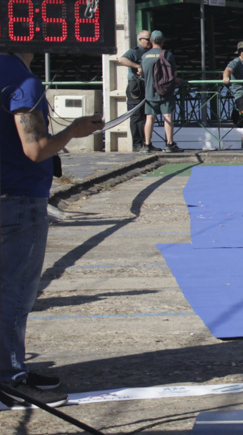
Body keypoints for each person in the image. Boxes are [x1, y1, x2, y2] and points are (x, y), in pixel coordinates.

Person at [1, 52, 102, 409]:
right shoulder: (21, 80)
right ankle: (9, 378)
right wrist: (74, 130)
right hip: (16, 200)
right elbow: (35, 148)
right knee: (14, 293)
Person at [141, 30, 182, 153]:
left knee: (150, 118)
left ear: (151, 41)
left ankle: (147, 144)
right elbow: (173, 74)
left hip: (149, 93)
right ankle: (169, 144)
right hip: (165, 91)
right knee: (168, 116)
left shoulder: (144, 56)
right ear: (163, 41)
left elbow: (142, 73)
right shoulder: (167, 55)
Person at [116, 30, 153, 150]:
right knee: (137, 116)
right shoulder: (134, 52)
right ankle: (138, 144)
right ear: (140, 40)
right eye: (147, 39)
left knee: (147, 115)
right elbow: (122, 60)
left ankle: (146, 143)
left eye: (150, 39)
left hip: (147, 87)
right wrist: (138, 66)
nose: (150, 42)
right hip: (136, 87)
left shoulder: (151, 53)